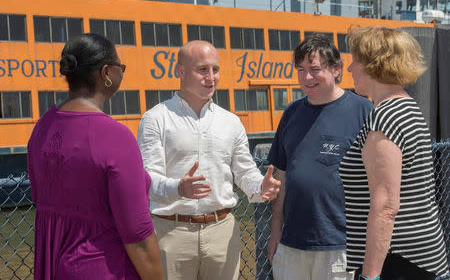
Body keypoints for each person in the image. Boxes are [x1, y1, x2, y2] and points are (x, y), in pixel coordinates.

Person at [137, 40, 280, 280]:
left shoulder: (231, 122)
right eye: (202, 69)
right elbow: (147, 179)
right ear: (181, 71)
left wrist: (261, 187)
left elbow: (245, 173)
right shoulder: (155, 119)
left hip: (221, 232)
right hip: (171, 233)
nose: (211, 77)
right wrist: (178, 188)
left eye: (215, 69)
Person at [27, 33, 163, 280]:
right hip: (102, 266)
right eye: (121, 67)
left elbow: (39, 198)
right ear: (107, 73)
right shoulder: (115, 136)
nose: (122, 73)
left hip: (53, 264)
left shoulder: (42, 126)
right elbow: (137, 234)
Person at [340, 26, 449, 280]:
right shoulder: (407, 107)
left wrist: (370, 276)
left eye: (355, 60)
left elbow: (386, 205)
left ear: (373, 65)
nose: (349, 68)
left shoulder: (384, 117)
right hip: (418, 255)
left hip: (397, 258)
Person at [267, 34, 373, 280]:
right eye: (301, 70)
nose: (307, 78)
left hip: (340, 245)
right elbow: (280, 176)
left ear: (337, 70)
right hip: (291, 244)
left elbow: (378, 184)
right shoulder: (292, 112)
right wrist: (275, 232)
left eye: (315, 70)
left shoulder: (363, 111)